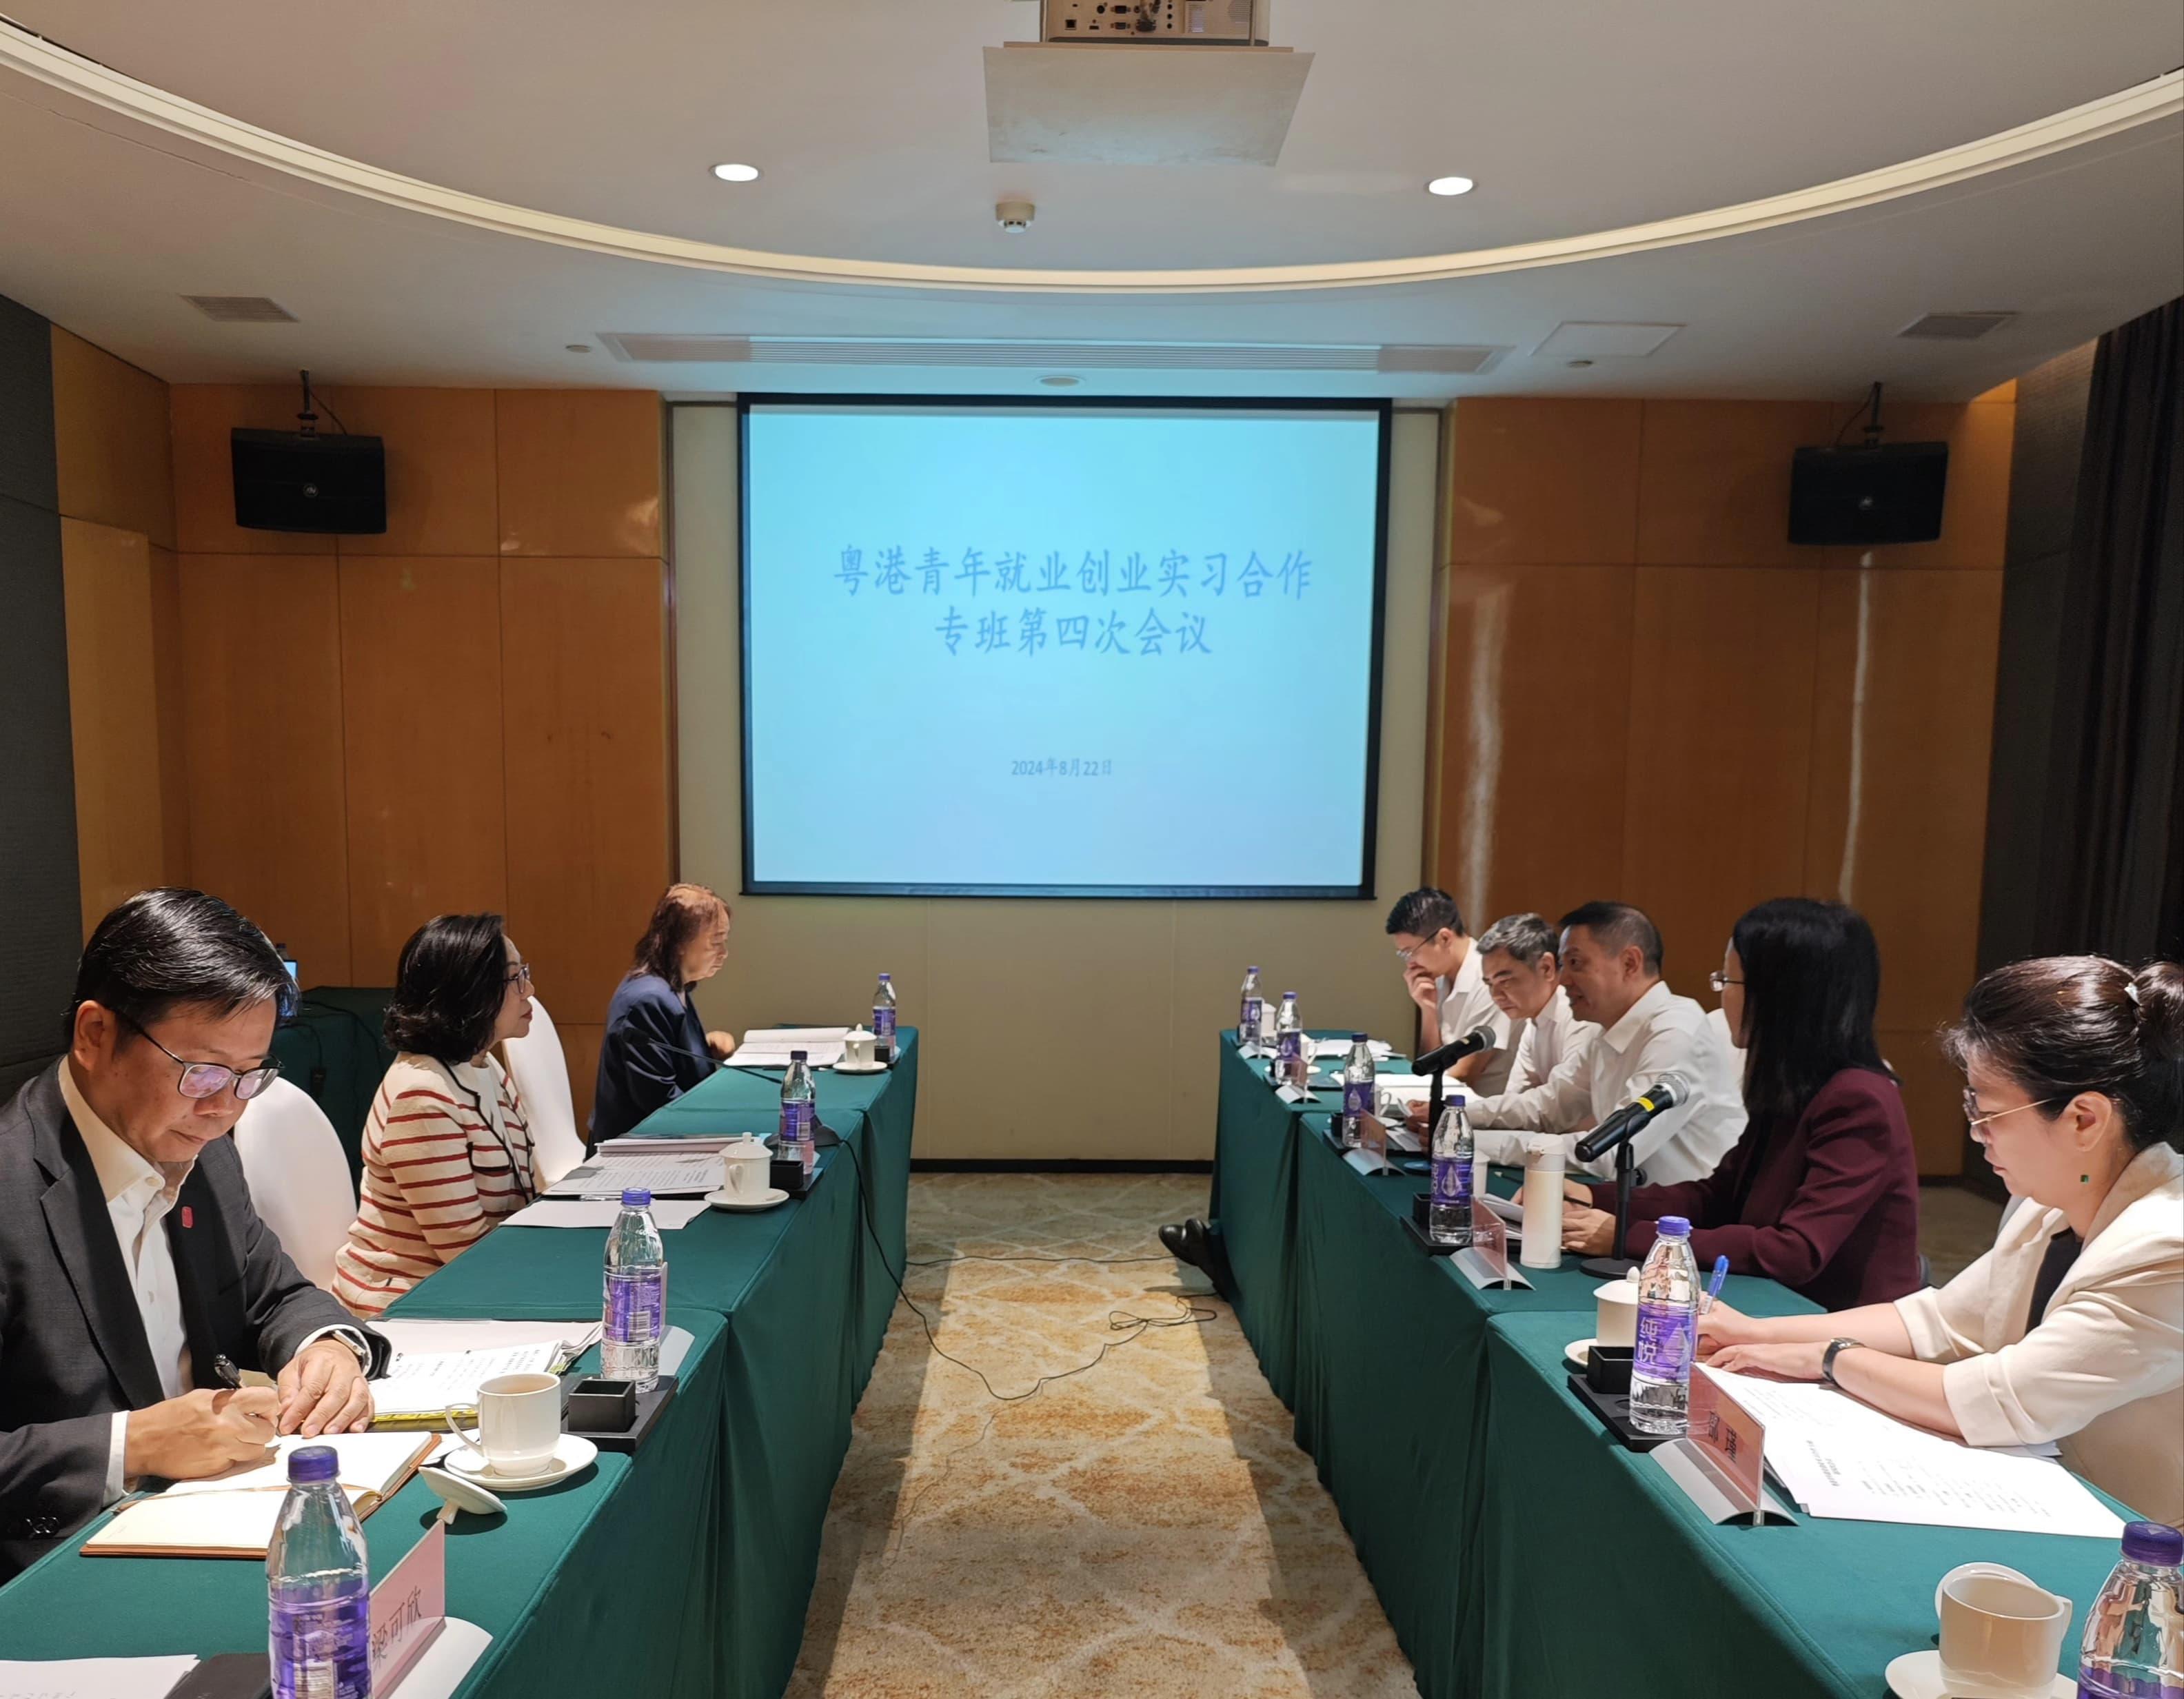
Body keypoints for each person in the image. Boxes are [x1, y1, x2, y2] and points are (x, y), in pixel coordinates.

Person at [1704, 955, 2184, 1528]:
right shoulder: (2049, 1202)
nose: (1976, 1133)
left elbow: (2005, 1401)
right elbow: (1937, 1322)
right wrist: (1753, 1332)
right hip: (2051, 1498)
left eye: (1988, 1112)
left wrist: (1830, 1358)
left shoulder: (2166, 1247)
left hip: (2142, 1550)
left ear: (2084, 1119)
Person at [0, 889, 383, 1578]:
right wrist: (129, 1443)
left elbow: (276, 1289)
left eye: (250, 1075)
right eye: (201, 1070)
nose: (222, 1108)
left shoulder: (202, 1150)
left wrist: (326, 1346)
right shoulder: (11, 1188)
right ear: (94, 1035)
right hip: (55, 1572)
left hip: (212, 1523)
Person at [1559, 899, 1921, 1308]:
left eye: (1727, 982)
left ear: (1779, 997)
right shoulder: (1793, 1087)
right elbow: (1718, 1197)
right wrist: (1598, 1199)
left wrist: (1625, 1236)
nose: (1721, 998)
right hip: (1766, 1308)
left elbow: (1795, 1251)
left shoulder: (1859, 1100)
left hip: (1833, 1333)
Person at [330, 915, 540, 1319]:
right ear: (471, 993)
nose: (529, 989)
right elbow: (463, 1254)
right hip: (408, 1304)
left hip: (465, 1287)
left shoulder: (481, 1066)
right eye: (515, 978)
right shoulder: (422, 1094)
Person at [1466, 902, 1746, 1184]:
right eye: (1563, 965)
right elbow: (1551, 1105)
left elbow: (1610, 1152)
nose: (1562, 980)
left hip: (1688, 1221)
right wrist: (1462, 1115)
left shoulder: (1676, 1031)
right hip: (1635, 1202)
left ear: (1629, 963)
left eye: (1575, 963)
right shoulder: (1607, 1031)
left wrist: (1478, 1144)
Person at [591, 884, 737, 1143]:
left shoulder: (672, 987)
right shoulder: (648, 999)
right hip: (635, 1154)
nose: (724, 953)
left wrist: (706, 1052)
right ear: (680, 941)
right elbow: (660, 1102)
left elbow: (674, 1065)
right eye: (716, 942)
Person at [1385, 888, 1515, 1096]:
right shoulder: (1440, 974)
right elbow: (1431, 1065)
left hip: (1483, 1109)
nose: (1410, 963)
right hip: (1450, 1103)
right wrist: (1428, 1010)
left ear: (1444, 938)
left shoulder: (1489, 980)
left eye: (1411, 952)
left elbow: (1465, 1076)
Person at [1471, 910, 1597, 1111]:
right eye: (1489, 984)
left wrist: (1466, 1114)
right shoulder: (1533, 1021)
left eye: (1505, 981)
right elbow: (1516, 1100)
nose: (1496, 995)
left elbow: (1565, 1108)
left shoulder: (1580, 1017)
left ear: (1547, 968)